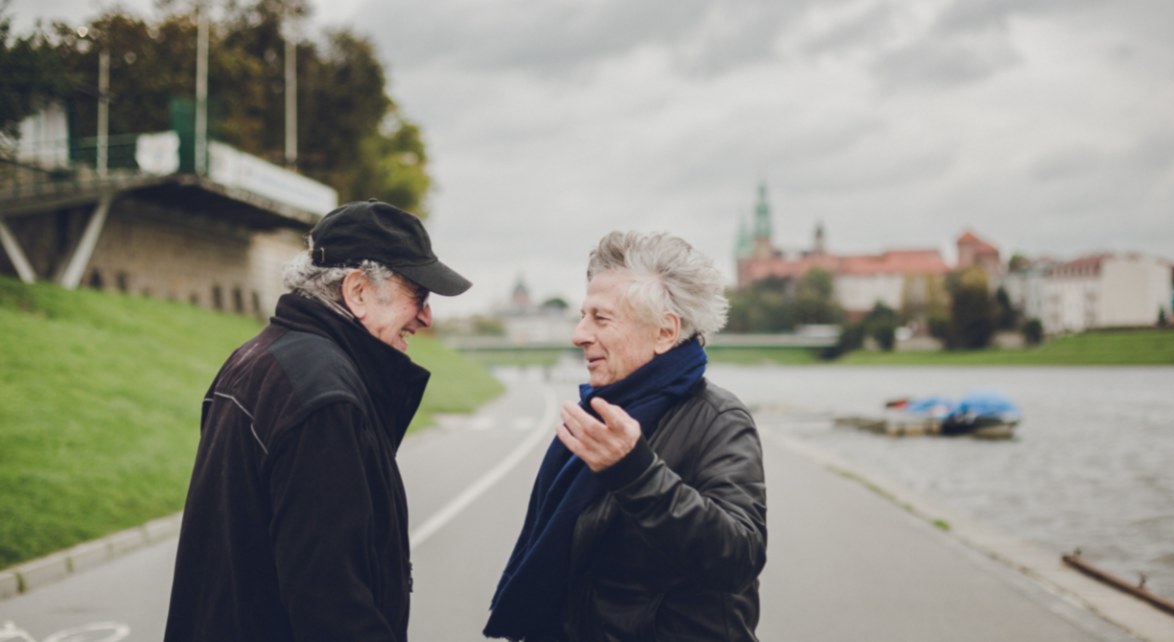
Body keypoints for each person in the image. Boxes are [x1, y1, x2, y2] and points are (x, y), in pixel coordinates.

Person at [163, 199, 471, 642]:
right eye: (417, 294)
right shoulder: (326, 400)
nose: (426, 316)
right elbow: (331, 606)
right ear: (358, 291)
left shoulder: (253, 359)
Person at [484, 231, 766, 642]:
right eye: (583, 315)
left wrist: (638, 474)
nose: (578, 335)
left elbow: (739, 557)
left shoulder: (718, 418)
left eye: (600, 318)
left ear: (665, 332)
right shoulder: (601, 412)